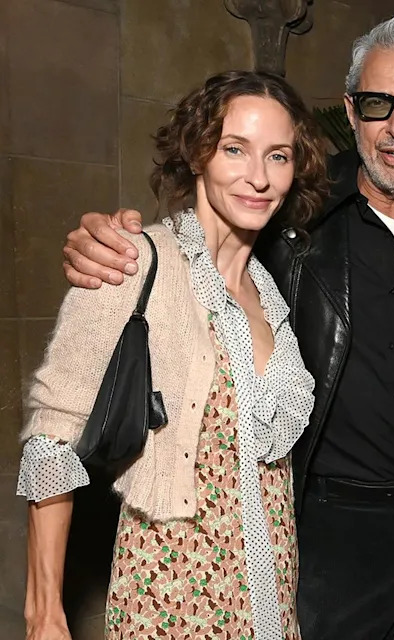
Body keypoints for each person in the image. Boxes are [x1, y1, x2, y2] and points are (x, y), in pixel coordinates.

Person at [59, 14, 394, 640]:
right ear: (351, 110)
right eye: (378, 104)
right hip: (327, 538)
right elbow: (196, 233)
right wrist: (106, 244)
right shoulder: (291, 218)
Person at [19, 70, 323, 639]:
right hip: (173, 595)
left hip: (269, 593)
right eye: (235, 149)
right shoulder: (134, 263)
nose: (259, 177)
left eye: (278, 156)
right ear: (198, 152)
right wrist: (44, 614)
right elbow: (51, 440)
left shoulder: (269, 292)